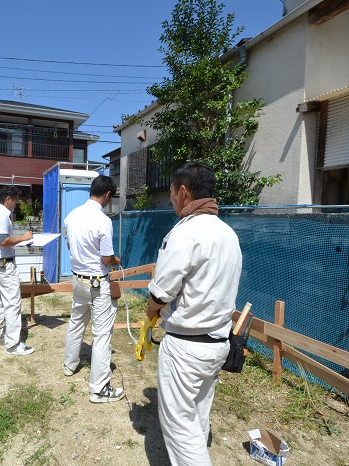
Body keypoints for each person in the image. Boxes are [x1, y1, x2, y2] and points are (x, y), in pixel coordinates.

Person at [145, 162, 242, 465]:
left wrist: (149, 316)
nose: (171, 198)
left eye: (172, 192)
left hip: (186, 345)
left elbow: (161, 292)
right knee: (198, 413)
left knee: (180, 428)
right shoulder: (228, 234)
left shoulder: (185, 233)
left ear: (183, 191)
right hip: (218, 342)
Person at [62, 175, 124, 403]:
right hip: (97, 282)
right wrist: (116, 260)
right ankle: (98, 389)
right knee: (102, 335)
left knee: (76, 321)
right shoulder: (103, 221)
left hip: (78, 279)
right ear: (107, 195)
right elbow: (106, 258)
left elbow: (70, 244)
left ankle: (70, 365)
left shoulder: (72, 216)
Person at [0, 185, 35, 356]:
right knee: (13, 303)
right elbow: (4, 241)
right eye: (15, 201)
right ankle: (13, 345)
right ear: (8, 199)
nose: (16, 205)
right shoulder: (2, 215)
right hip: (5, 266)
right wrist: (23, 238)